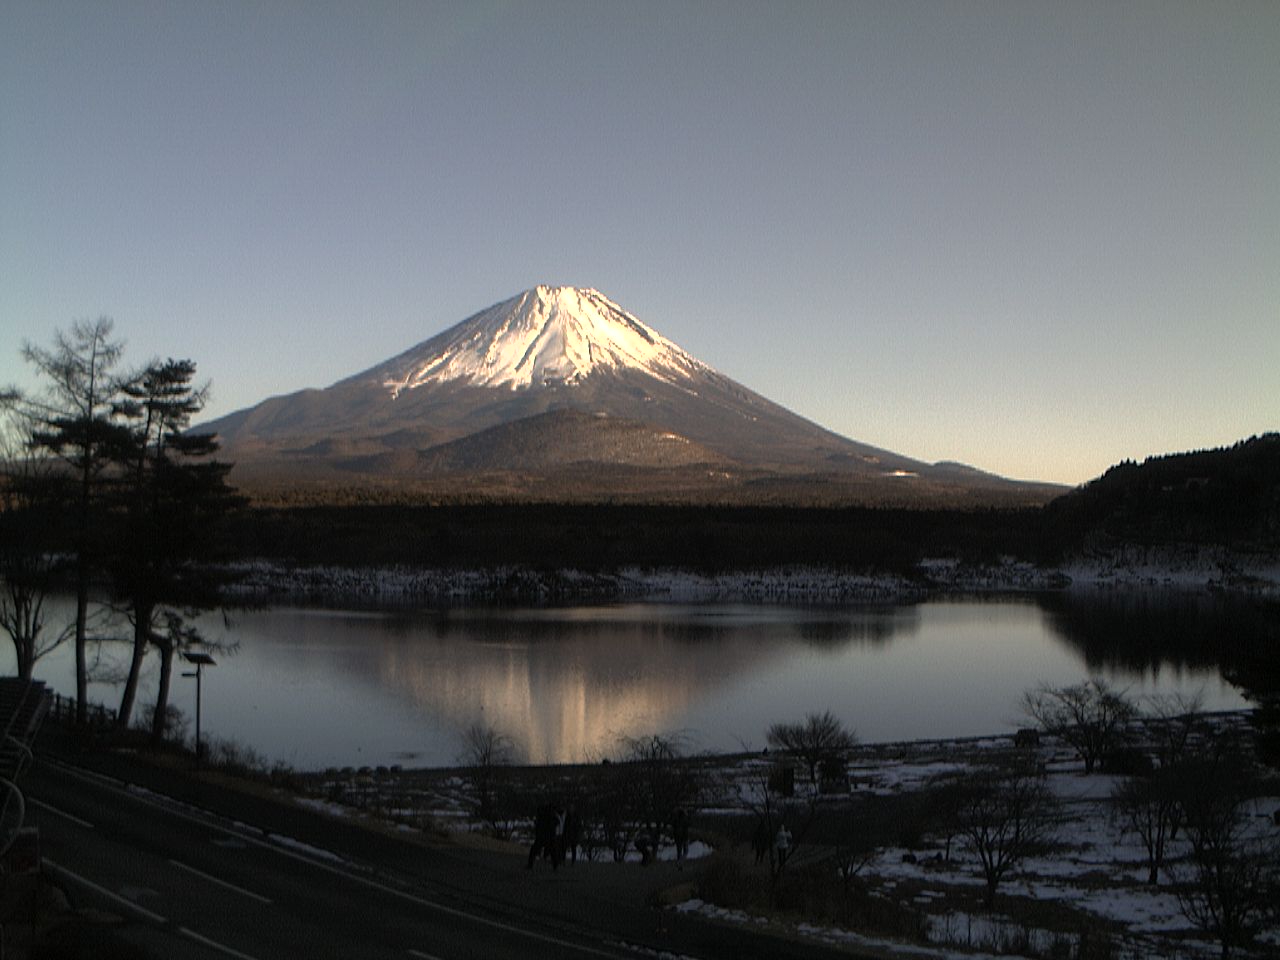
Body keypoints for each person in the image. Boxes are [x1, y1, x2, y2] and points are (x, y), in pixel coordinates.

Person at [527, 803, 557, 870]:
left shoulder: (542, 816)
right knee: (552, 851)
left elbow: (538, 827)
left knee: (534, 850)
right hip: (548, 837)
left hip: (542, 836)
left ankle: (530, 864)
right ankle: (555, 865)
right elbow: (555, 824)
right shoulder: (551, 816)